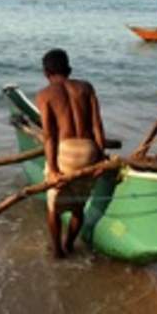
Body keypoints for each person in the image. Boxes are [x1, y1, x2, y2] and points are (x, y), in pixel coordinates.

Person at [35, 49, 106, 259]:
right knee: (78, 206)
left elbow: (49, 136)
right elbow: (97, 125)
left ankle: (57, 251)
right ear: (69, 69)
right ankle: (69, 245)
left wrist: (54, 170)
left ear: (46, 73)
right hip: (88, 150)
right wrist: (101, 158)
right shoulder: (86, 87)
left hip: (65, 152)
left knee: (53, 207)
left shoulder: (44, 95)